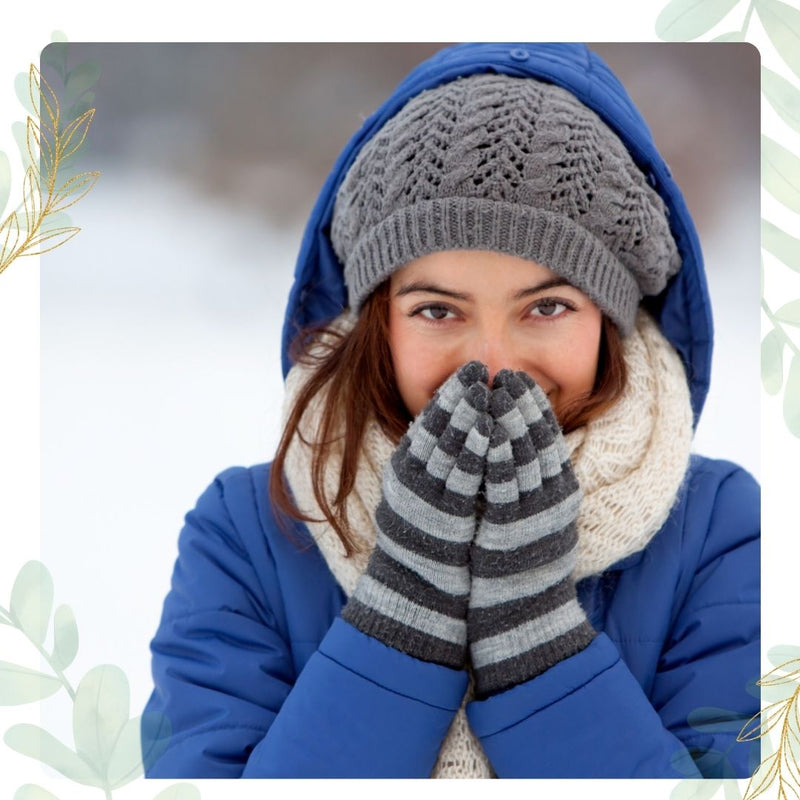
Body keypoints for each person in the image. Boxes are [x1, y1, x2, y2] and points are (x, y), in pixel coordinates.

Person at [142, 43, 760, 779]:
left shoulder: (721, 532)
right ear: (379, 323)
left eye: (548, 307)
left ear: (612, 320)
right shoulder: (250, 531)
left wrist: (540, 653)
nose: (492, 364)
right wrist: (400, 627)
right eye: (438, 309)